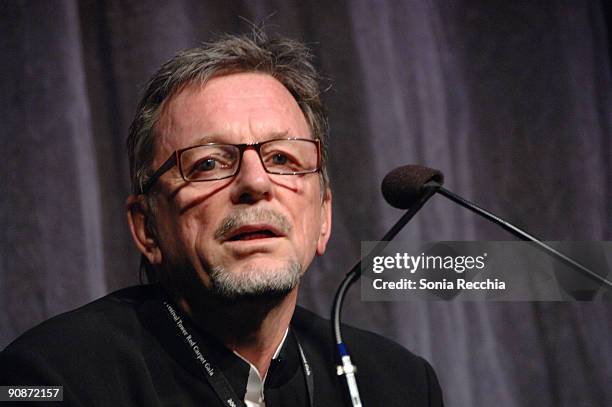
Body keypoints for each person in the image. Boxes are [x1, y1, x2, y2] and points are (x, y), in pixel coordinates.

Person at [1, 32, 443, 406]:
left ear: (323, 217)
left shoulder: (399, 385)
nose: (255, 182)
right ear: (146, 227)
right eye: (209, 163)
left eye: (282, 158)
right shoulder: (52, 376)